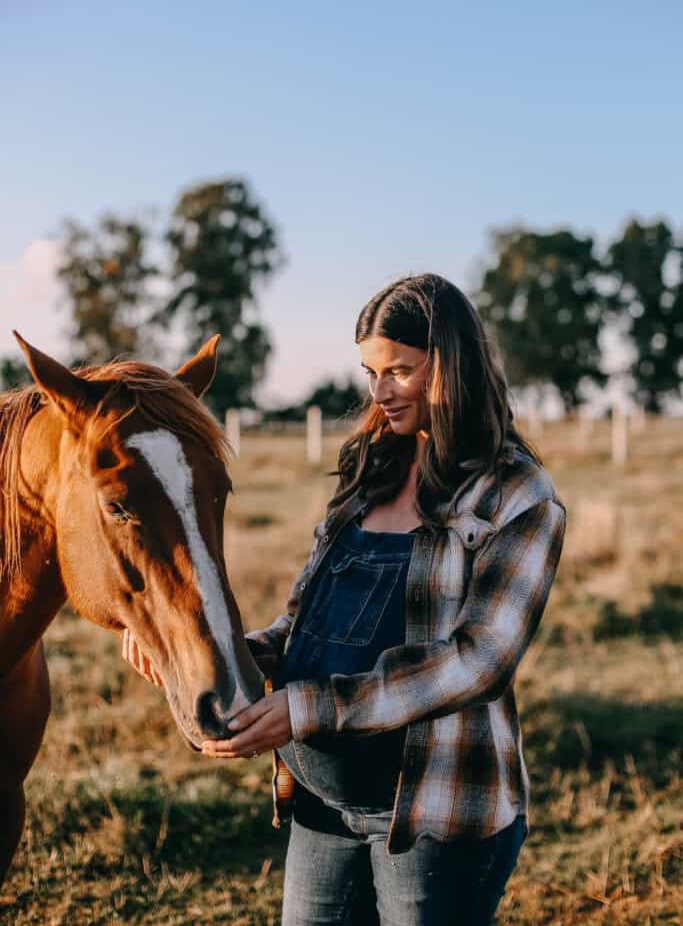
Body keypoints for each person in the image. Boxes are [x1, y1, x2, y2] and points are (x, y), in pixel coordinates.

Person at [126, 273, 566, 925]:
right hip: (320, 804)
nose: (380, 391)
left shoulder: (516, 496)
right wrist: (209, 657)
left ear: (451, 367)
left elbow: (477, 661)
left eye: (400, 370)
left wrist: (307, 709)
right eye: (369, 371)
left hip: (431, 816)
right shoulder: (370, 467)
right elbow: (304, 625)